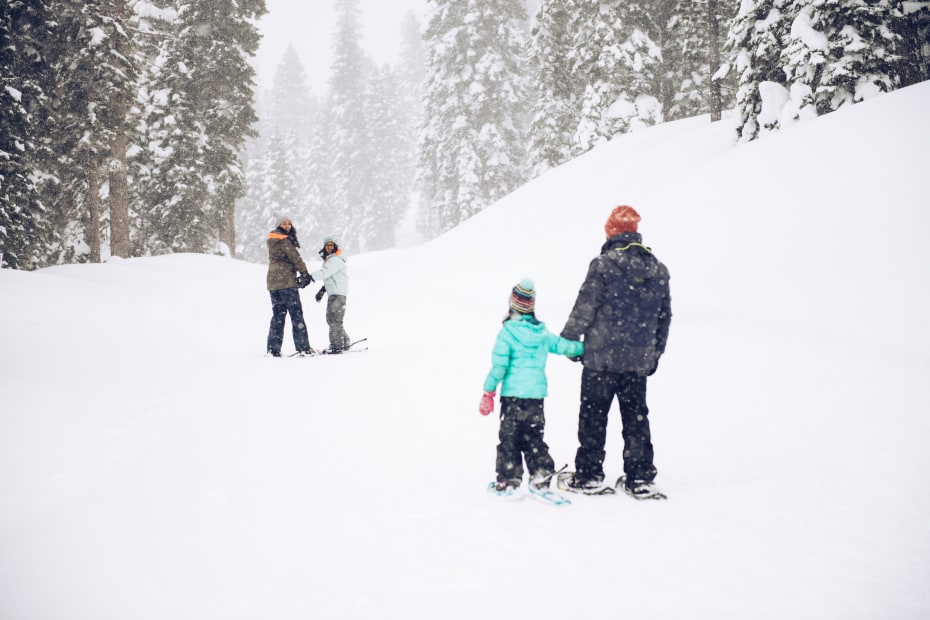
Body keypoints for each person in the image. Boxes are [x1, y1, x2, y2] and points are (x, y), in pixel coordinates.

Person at [559, 205, 671, 499]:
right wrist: (654, 353)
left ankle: (589, 474)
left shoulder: (603, 265)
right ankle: (640, 477)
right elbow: (664, 317)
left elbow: (585, 306)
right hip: (637, 363)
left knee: (594, 417)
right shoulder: (658, 269)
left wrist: (569, 339)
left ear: (611, 232)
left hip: (601, 359)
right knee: (636, 418)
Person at [480, 278, 584, 494]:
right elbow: (564, 346)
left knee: (509, 439)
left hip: (512, 398)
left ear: (512, 305)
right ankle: (541, 474)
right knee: (534, 437)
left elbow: (499, 367)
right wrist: (586, 347)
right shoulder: (542, 334)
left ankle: (508, 479)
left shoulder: (507, 333)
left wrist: (488, 391)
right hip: (535, 398)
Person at [266, 217, 314, 357]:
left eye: (288, 223)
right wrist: (305, 273)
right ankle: (303, 348)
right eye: (283, 223)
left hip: (273, 284)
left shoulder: (272, 240)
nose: (287, 226)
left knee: (278, 316)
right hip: (286, 282)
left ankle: (273, 349)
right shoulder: (284, 240)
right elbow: (295, 258)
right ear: (278, 226)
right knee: (296, 315)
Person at [310, 235, 351, 353]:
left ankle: (336, 346)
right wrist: (322, 291)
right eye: (327, 245)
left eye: (331, 245)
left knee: (334, 320)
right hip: (335, 292)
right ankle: (345, 341)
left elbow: (326, 272)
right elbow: (332, 277)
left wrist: (310, 277)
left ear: (335, 246)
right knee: (333, 319)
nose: (329, 247)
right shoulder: (331, 258)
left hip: (337, 293)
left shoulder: (336, 259)